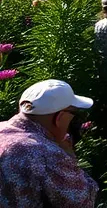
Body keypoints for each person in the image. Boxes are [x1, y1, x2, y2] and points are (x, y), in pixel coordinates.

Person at [0, 79, 98, 208]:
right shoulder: (46, 153)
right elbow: (82, 202)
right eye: (74, 113)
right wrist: (69, 156)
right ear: (60, 118)